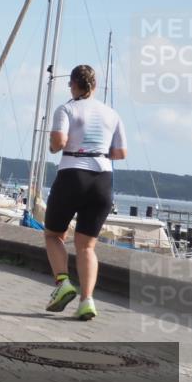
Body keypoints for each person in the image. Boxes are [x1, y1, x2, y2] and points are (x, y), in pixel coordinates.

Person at [43, 65, 127, 321]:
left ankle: (63, 283)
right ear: (94, 85)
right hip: (102, 178)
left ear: (73, 84)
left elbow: (58, 142)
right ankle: (87, 300)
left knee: (53, 235)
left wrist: (54, 145)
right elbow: (121, 153)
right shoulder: (112, 114)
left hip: (73, 175)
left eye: (70, 84)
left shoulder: (66, 109)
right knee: (87, 246)